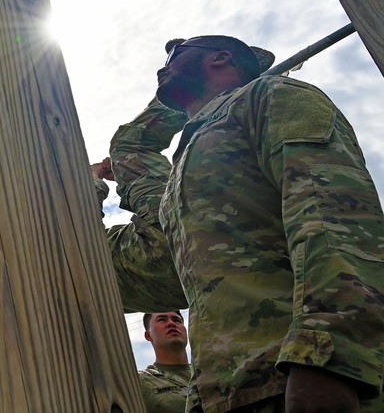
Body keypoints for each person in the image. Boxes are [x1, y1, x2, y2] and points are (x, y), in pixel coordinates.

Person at [100, 35, 384, 413]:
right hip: (225, 392)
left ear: (220, 58)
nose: (162, 63)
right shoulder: (192, 156)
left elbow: (336, 221)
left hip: (294, 376)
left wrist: (328, 357)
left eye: (177, 53)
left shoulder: (271, 95)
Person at [138, 311, 193, 413]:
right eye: (162, 319)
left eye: (176, 320)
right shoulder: (139, 382)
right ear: (148, 335)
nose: (171, 323)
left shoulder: (208, 373)